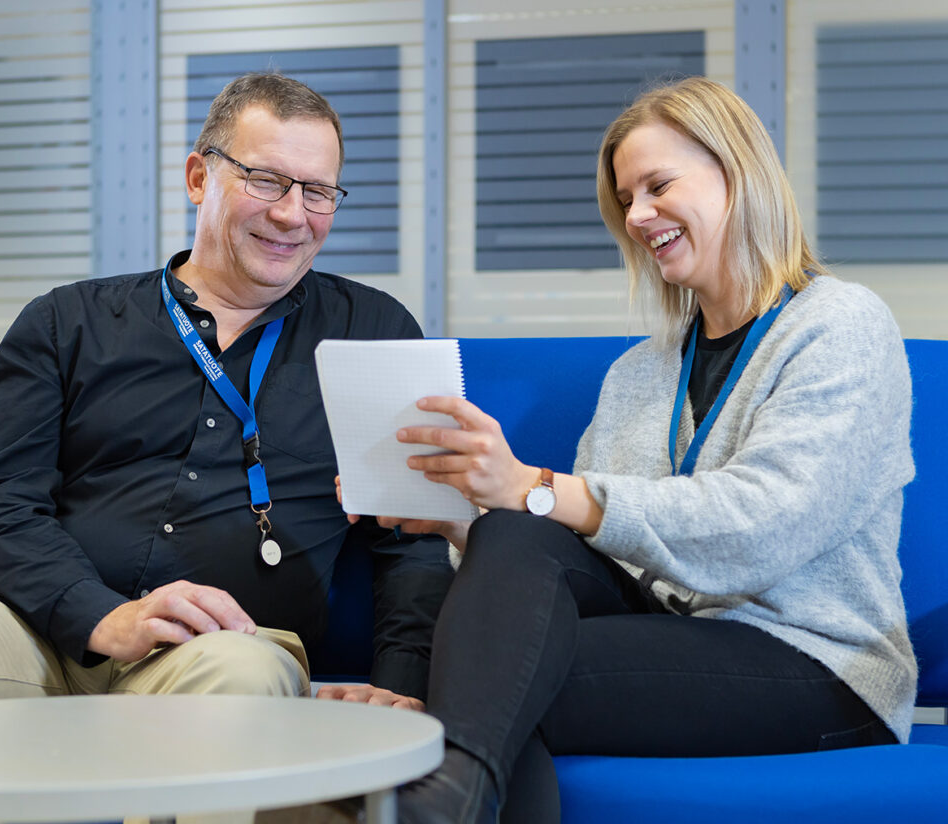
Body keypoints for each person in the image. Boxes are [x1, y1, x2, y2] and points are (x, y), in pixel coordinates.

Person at [359, 77, 917, 823]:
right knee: (515, 537)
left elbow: (765, 527)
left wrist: (536, 485)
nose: (637, 216)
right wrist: (468, 520)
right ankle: (445, 802)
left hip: (817, 660)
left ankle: (439, 801)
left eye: (658, 186)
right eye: (626, 199)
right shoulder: (639, 372)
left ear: (737, 173)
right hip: (673, 637)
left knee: (505, 679)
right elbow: (600, 552)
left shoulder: (841, 325)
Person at [0, 73, 452, 718]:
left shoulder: (372, 330)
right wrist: (103, 616)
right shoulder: (66, 322)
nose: (292, 214)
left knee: (239, 674)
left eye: (317, 191)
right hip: (40, 636)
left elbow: (412, 538)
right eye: (267, 180)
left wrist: (401, 682)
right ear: (199, 178)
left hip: (222, 649)